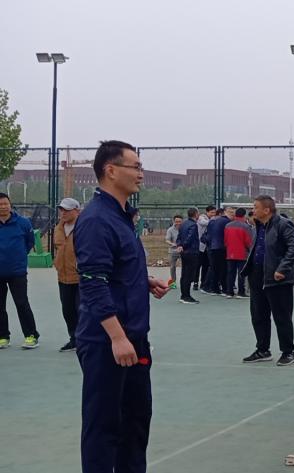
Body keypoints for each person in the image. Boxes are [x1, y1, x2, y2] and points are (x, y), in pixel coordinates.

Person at [74, 140, 171, 473]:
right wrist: (117, 337)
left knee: (135, 423)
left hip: (134, 338)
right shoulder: (96, 220)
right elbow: (93, 283)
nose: (141, 174)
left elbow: (115, 267)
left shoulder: (122, 216)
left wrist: (143, 280)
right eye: (136, 167)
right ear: (111, 170)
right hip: (107, 342)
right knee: (104, 427)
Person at [240, 195, 294, 366]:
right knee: (258, 315)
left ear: (267, 210)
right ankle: (262, 350)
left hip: (277, 277)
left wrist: (282, 268)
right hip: (257, 275)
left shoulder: (283, 224)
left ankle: (288, 351)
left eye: (256, 207)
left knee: (282, 316)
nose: (253, 210)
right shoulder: (258, 225)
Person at [0, 192, 39, 350]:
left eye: (5, 204)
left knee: (22, 303)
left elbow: (29, 242)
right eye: (0, 205)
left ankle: (31, 336)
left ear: (10, 205)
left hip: (17, 272)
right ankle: (3, 336)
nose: (3, 207)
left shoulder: (23, 223)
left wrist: (19, 256)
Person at [53, 197, 82, 352]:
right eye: (61, 210)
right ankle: (74, 339)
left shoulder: (84, 227)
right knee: (68, 311)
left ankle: (85, 340)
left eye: (67, 210)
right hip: (63, 277)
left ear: (77, 211)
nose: (63, 213)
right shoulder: (58, 228)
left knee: (82, 310)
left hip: (81, 277)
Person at [224, 207, 254, 298]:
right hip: (242, 253)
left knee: (230, 273)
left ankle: (229, 292)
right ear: (244, 215)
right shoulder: (246, 227)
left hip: (230, 253)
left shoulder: (228, 225)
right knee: (241, 273)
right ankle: (241, 292)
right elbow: (248, 242)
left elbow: (225, 240)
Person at [176, 208, 201, 304]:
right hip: (191, 252)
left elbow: (179, 237)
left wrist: (179, 245)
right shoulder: (193, 225)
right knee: (189, 275)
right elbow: (190, 238)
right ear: (196, 214)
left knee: (184, 274)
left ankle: (184, 295)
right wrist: (183, 245)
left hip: (184, 252)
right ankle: (186, 296)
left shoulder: (183, 224)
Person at [205, 207, 230, 296]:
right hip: (221, 247)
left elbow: (208, 235)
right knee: (223, 269)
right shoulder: (227, 222)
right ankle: (224, 288)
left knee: (214, 268)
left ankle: (212, 287)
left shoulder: (212, 222)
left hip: (212, 247)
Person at [197, 205, 215, 293]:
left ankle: (203, 283)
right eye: (211, 212)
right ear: (207, 212)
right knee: (198, 266)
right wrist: (214, 220)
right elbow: (204, 223)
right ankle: (196, 282)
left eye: (214, 212)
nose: (213, 214)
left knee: (206, 266)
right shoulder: (202, 217)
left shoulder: (211, 219)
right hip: (200, 246)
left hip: (207, 247)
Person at [165, 215, 183, 288]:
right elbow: (167, 240)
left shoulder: (184, 229)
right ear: (173, 221)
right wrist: (173, 244)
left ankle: (183, 282)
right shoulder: (170, 230)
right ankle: (173, 282)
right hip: (173, 250)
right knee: (172, 267)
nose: (178, 223)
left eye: (179, 221)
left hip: (182, 250)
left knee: (184, 267)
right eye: (176, 221)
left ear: (182, 221)